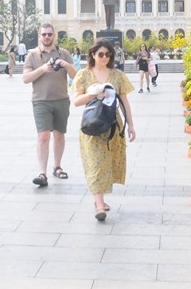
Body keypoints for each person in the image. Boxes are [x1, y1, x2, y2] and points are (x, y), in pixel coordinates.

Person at [71, 39, 136, 221]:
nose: (104, 58)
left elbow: (124, 102)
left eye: (108, 54)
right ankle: (99, 204)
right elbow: (76, 101)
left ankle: (100, 199)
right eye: (101, 54)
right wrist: (93, 94)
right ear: (93, 54)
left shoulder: (117, 75)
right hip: (92, 124)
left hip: (113, 124)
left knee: (108, 161)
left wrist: (131, 125)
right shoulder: (83, 75)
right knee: (95, 163)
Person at [22, 23, 76, 186]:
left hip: (61, 99)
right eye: (44, 34)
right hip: (41, 101)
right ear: (39, 36)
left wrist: (66, 65)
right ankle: (42, 173)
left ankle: (57, 167)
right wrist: (43, 69)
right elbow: (25, 78)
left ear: (54, 36)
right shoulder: (32, 55)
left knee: (59, 134)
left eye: (49, 34)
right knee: (43, 136)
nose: (47, 37)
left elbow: (76, 76)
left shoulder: (64, 53)